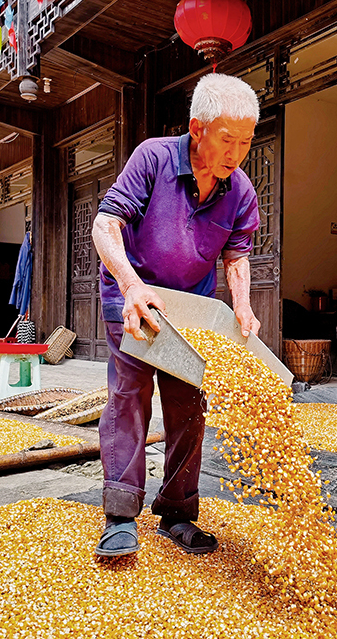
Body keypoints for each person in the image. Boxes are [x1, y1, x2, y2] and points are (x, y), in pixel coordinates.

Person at [91, 73, 261, 557]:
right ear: (197, 129)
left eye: (245, 142)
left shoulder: (240, 189)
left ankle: (177, 513)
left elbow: (237, 253)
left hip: (191, 311)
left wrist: (242, 306)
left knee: (189, 408)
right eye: (227, 140)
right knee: (130, 397)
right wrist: (131, 284)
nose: (235, 153)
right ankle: (120, 514)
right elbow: (107, 224)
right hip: (134, 298)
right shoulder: (153, 157)